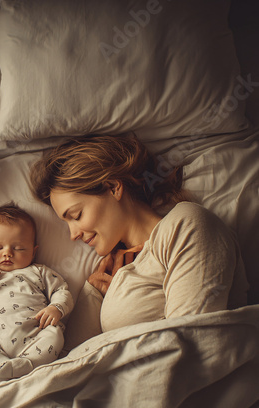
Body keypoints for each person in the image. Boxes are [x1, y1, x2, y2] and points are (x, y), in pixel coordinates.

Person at [30, 133, 248, 350]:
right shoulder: (113, 273)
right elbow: (74, 362)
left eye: (76, 215)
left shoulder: (186, 224)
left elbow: (193, 346)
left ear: (114, 187)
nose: (73, 234)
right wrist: (93, 294)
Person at [0, 203, 74, 384]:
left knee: (54, 336)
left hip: (35, 332)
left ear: (34, 251)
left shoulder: (38, 272)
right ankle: (1, 367)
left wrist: (56, 307)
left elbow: (61, 290)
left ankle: (27, 365)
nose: (7, 254)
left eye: (18, 248)